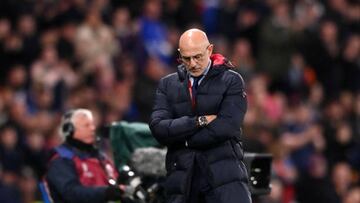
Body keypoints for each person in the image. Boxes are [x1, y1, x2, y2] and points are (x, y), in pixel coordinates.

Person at [150, 28, 251, 203]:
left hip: (225, 178)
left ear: (210, 50)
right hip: (182, 180)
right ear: (180, 55)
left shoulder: (231, 81)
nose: (193, 63)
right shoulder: (167, 85)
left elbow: (226, 127)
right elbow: (158, 128)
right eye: (187, 58)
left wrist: (184, 140)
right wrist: (199, 121)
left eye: (198, 56)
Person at [43, 109, 127, 203]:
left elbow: (116, 182)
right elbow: (71, 193)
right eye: (86, 125)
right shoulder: (61, 160)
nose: (93, 128)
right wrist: (106, 192)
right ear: (70, 130)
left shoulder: (101, 158)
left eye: (92, 124)